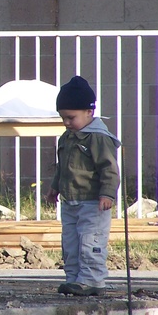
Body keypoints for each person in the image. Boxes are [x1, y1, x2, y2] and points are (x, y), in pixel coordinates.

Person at [45, 76, 121, 296]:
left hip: (93, 202)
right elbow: (62, 166)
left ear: (89, 112)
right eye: (63, 118)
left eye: (71, 117)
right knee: (71, 243)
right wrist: (55, 187)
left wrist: (107, 194)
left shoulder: (98, 138)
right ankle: (74, 279)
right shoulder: (67, 138)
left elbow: (109, 169)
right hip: (70, 201)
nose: (67, 122)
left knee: (91, 241)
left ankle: (92, 280)